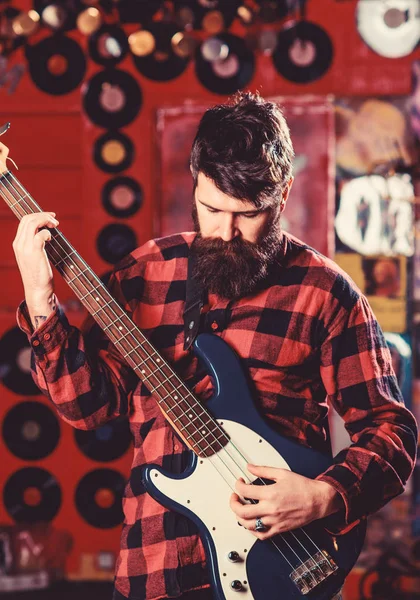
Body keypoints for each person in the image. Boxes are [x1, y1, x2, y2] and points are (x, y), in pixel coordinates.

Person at [12, 92, 417, 600]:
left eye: (247, 214)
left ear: (284, 191)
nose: (225, 232)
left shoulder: (326, 292)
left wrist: (322, 497)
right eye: (211, 208)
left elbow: (390, 429)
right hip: (153, 567)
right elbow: (87, 407)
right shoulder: (147, 272)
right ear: (195, 181)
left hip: (282, 566)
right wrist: (40, 298)